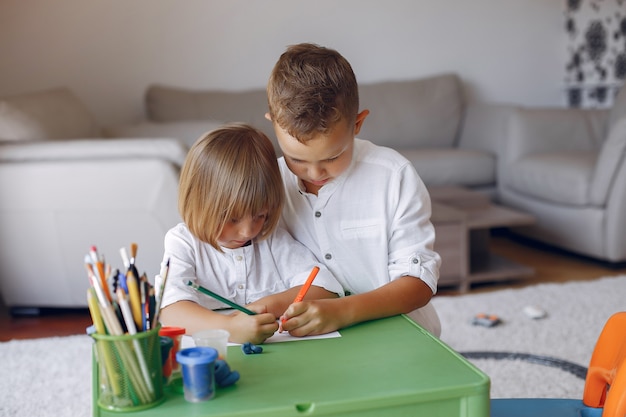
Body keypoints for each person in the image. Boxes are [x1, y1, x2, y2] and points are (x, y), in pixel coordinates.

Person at [267, 43, 442, 337]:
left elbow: (418, 282)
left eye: (332, 157)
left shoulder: (393, 177)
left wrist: (342, 311)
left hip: (400, 336)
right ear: (273, 126)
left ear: (358, 124)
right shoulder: (271, 182)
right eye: (296, 158)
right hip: (312, 342)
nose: (315, 172)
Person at [157, 123, 344, 344]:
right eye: (232, 218)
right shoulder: (183, 243)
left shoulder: (270, 240)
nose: (248, 230)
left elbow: (325, 288)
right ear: (197, 202)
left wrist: (265, 307)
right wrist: (229, 328)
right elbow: (170, 310)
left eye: (260, 215)